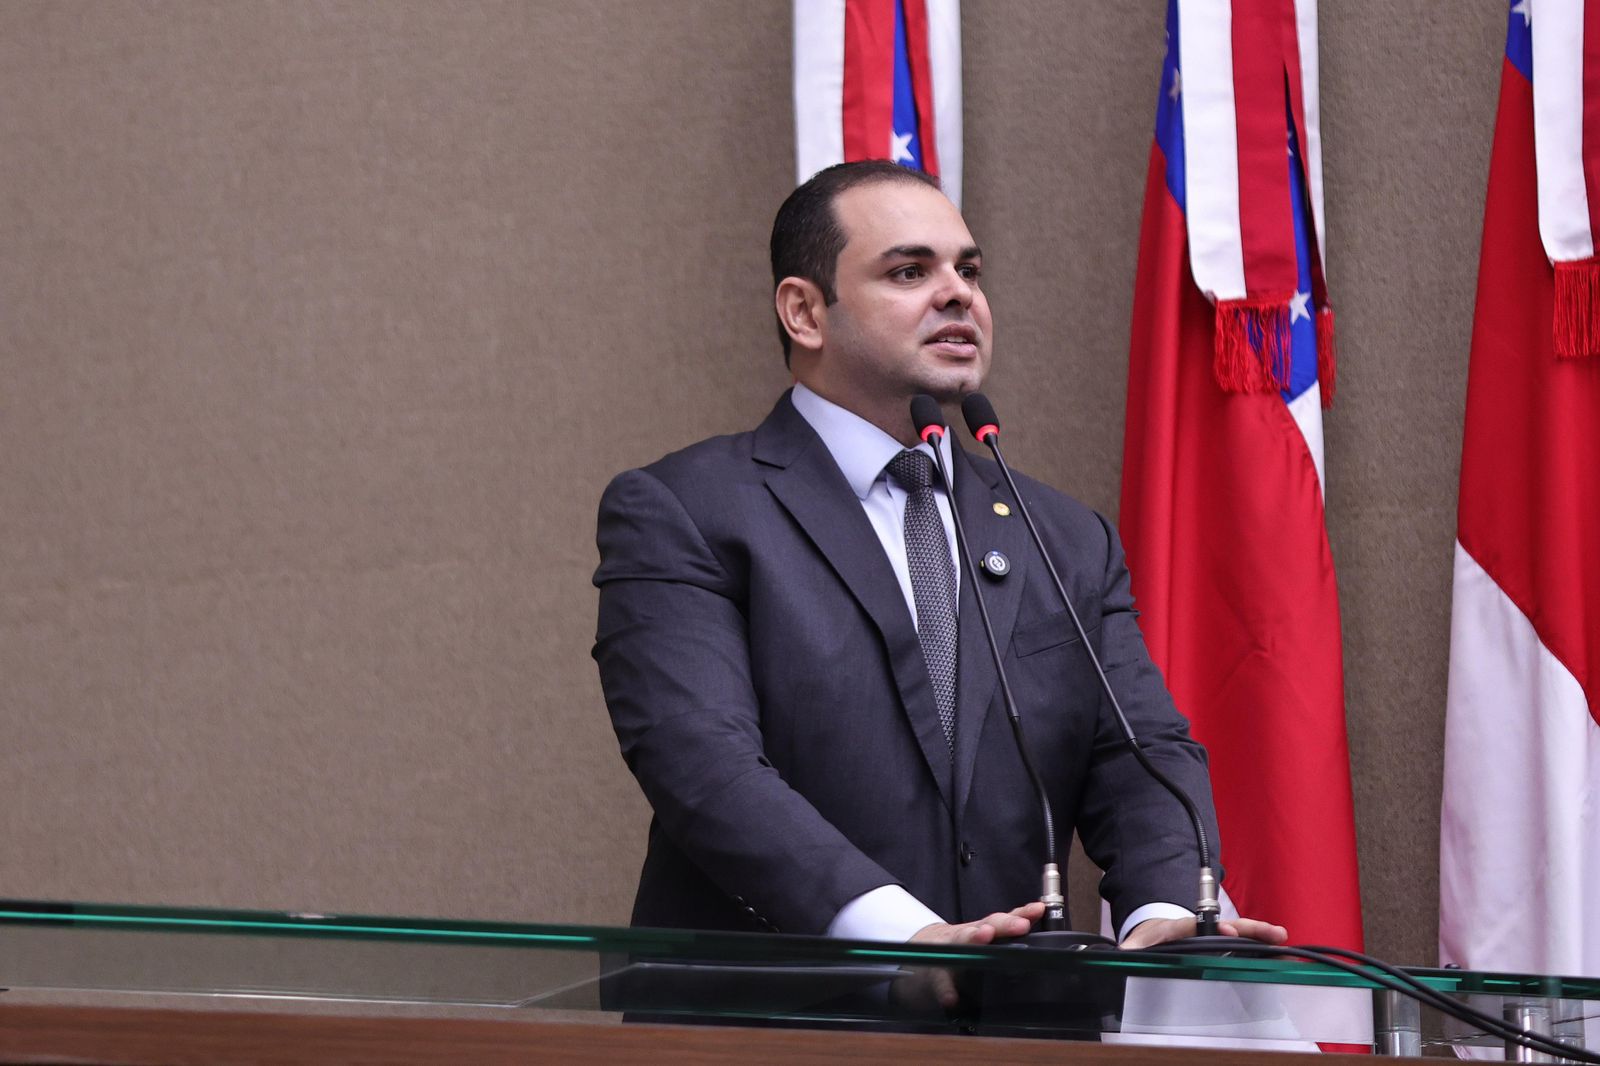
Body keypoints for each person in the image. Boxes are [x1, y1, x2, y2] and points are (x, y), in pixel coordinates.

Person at [592, 160, 1286, 952]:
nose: (958, 294)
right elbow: (703, 767)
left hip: (1018, 1010)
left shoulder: (1063, 535)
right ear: (805, 312)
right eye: (910, 271)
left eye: (970, 270)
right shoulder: (687, 509)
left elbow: (1142, 755)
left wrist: (1165, 906)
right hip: (785, 1005)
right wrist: (904, 935)